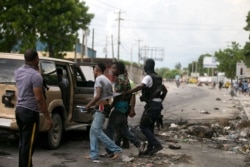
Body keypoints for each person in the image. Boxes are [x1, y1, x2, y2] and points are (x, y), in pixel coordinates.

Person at [14, 49, 53, 167]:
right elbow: (39, 99)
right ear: (36, 59)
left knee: (24, 144)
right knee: (28, 146)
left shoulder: (18, 72)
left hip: (19, 110)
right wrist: (48, 117)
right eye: (38, 58)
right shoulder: (36, 76)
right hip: (30, 113)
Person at [124, 58, 168, 156]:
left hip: (152, 105)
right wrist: (160, 100)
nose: (144, 66)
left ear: (147, 66)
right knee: (150, 126)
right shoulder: (158, 78)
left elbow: (140, 87)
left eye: (145, 65)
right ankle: (150, 148)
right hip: (157, 105)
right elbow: (165, 91)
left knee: (143, 126)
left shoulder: (148, 77)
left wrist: (128, 92)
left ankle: (157, 145)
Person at [84, 63, 122, 160]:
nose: (93, 71)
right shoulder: (106, 80)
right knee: (93, 131)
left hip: (101, 106)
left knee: (97, 130)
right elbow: (105, 96)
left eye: (94, 69)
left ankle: (115, 149)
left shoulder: (98, 79)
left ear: (97, 69)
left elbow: (98, 96)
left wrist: (88, 105)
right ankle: (93, 154)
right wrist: (94, 107)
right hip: (104, 106)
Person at [105, 62, 143, 155]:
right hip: (124, 107)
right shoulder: (125, 78)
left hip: (119, 107)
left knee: (109, 129)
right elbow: (127, 94)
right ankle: (139, 144)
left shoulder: (119, 80)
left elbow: (117, 96)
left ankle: (110, 150)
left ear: (118, 69)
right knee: (124, 129)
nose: (111, 70)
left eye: (113, 68)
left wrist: (110, 107)